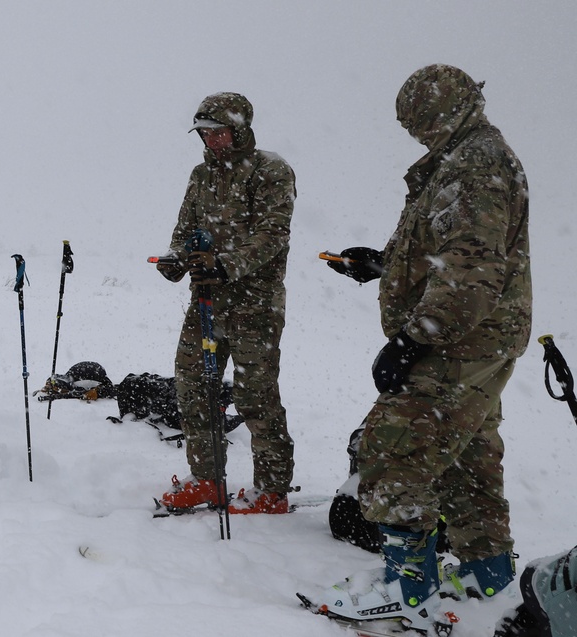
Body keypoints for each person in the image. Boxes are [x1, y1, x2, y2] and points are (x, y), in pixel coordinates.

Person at [319, 64, 531, 632]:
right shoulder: (470, 157)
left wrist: (414, 340)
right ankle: (488, 585)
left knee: (394, 451)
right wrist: (385, 268)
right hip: (480, 337)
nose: (415, 134)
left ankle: (407, 589)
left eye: (419, 122)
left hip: (458, 341)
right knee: (468, 462)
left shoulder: (474, 166)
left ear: (442, 111)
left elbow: (468, 266)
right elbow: (452, 254)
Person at [154, 92, 296, 515]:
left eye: (218, 132)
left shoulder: (270, 170)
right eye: (204, 133)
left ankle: (271, 490)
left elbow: (273, 236)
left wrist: (226, 265)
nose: (211, 141)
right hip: (206, 304)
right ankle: (208, 480)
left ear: (240, 129)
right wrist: (176, 259)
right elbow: (186, 229)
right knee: (193, 387)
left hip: (255, 305)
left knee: (256, 396)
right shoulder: (200, 176)